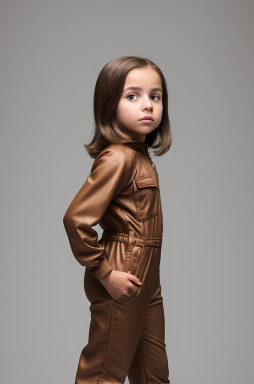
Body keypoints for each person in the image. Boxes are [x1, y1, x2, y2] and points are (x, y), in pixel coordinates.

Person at [63, 55, 172, 384]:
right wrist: (105, 272)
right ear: (109, 104)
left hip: (147, 276)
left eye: (155, 96)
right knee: (104, 371)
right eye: (133, 96)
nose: (148, 106)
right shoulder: (117, 158)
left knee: (153, 373)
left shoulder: (140, 156)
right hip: (124, 268)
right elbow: (76, 219)